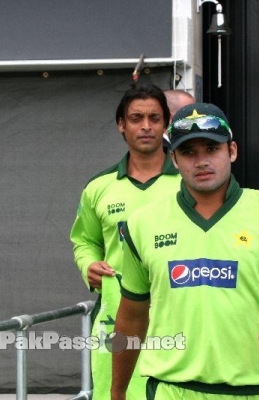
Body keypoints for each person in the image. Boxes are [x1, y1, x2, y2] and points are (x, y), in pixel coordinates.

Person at [111, 103, 259, 400]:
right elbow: (131, 318)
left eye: (211, 148)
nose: (201, 161)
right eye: (189, 152)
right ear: (175, 160)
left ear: (232, 151)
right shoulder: (143, 224)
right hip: (172, 391)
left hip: (255, 392)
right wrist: (117, 392)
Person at [70, 82, 181, 399]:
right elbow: (85, 241)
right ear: (122, 124)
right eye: (136, 118)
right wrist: (88, 265)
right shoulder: (99, 187)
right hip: (115, 320)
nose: (146, 126)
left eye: (154, 118)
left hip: (176, 320)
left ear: (165, 124)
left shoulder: (190, 184)